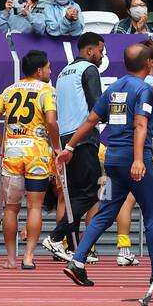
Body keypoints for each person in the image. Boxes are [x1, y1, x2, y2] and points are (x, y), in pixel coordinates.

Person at [61, 42, 153, 288]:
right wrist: (137, 159)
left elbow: (92, 118)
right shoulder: (144, 89)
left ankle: (77, 261)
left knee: (105, 212)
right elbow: (140, 125)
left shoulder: (113, 88)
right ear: (148, 64)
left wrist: (69, 147)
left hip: (112, 161)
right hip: (135, 161)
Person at [0, 49, 59, 271]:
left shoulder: (10, 90)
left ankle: (10, 259)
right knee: (34, 206)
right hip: (37, 153)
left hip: (13, 153)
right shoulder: (47, 90)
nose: (50, 70)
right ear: (39, 70)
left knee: (11, 208)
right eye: (48, 67)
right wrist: (56, 147)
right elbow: (51, 122)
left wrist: (2, 143)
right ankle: (28, 257)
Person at [44, 32, 105, 263]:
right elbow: (97, 106)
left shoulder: (62, 73)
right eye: (100, 51)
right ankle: (56, 237)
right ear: (89, 51)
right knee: (91, 194)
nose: (102, 55)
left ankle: (73, 248)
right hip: (84, 137)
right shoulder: (89, 70)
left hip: (65, 138)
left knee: (76, 194)